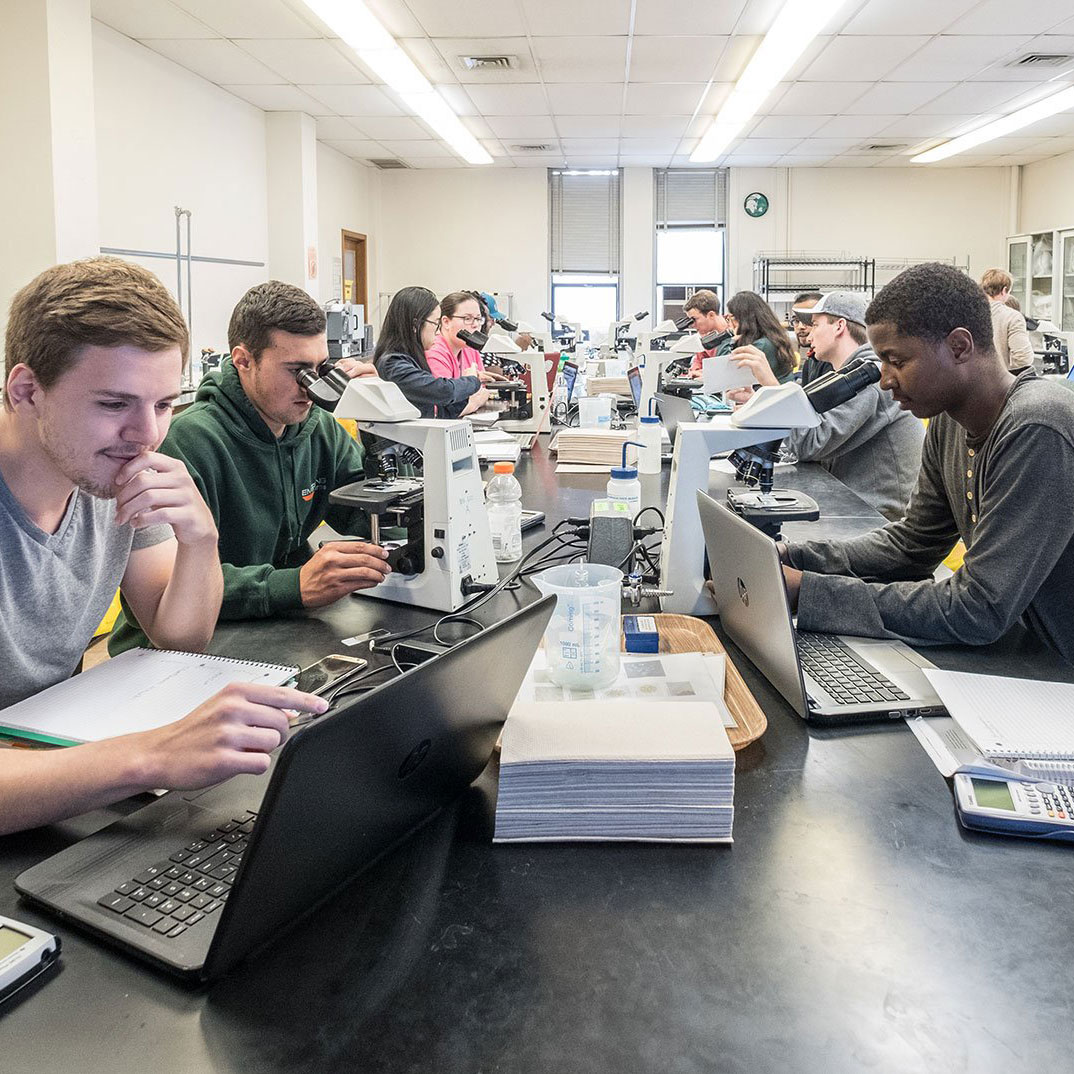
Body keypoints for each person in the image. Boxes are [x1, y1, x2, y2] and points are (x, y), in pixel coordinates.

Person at [0, 258, 327, 835]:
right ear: (27, 390)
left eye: (163, 403)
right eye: (113, 404)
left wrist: (199, 537)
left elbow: (178, 634)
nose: (148, 434)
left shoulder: (108, 472)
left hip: (52, 771)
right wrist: (151, 755)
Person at [778, 262, 1074, 661]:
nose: (884, 379)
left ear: (959, 346)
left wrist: (806, 590)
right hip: (1019, 653)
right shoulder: (949, 422)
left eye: (896, 361)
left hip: (1055, 674)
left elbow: (979, 608)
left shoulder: (1036, 426)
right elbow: (911, 545)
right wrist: (792, 557)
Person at [110, 280, 392, 654]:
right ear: (243, 360)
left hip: (275, 625)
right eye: (297, 371)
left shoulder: (317, 427)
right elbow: (176, 587)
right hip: (169, 652)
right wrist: (291, 585)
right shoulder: (188, 441)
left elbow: (364, 511)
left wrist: (382, 428)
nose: (311, 388)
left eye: (320, 369)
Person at [729, 292, 924, 521]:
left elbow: (809, 443)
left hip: (876, 516)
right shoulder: (844, 372)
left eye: (815, 324)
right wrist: (759, 401)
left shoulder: (871, 378)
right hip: (850, 499)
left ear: (839, 326)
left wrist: (770, 385)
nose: (809, 332)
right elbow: (805, 426)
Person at [374, 286, 490, 419]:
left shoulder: (412, 360)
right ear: (415, 325)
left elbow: (440, 412)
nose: (438, 330)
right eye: (435, 323)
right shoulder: (393, 364)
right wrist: (472, 380)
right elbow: (443, 391)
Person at [724, 290, 797, 384]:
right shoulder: (771, 338)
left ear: (742, 318)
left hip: (771, 396)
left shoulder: (762, 346)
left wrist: (730, 340)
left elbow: (727, 376)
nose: (728, 322)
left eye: (730, 318)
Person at [426, 291, 497, 381]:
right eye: (467, 318)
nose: (475, 324)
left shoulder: (470, 349)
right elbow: (446, 393)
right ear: (446, 322)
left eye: (478, 319)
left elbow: (482, 390)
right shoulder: (435, 353)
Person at [980, 268, 1034, 374]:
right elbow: (1023, 358)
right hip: (999, 382)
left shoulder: (970, 312)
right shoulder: (1012, 317)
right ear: (1004, 290)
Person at [682, 289, 733, 378]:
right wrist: (696, 372)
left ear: (711, 315)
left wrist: (707, 373)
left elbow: (731, 369)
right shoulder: (705, 337)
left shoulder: (734, 333)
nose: (692, 325)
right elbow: (698, 362)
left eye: (694, 319)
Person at [790, 291, 825, 383]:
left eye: (808, 319)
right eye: (796, 320)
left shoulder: (832, 362)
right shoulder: (811, 361)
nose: (800, 326)